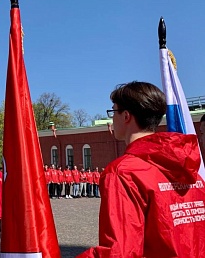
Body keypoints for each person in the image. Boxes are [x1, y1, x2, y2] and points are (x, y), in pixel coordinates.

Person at [79, 81, 205, 257]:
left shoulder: (123, 172)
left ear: (126, 116)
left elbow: (120, 252)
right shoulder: (190, 170)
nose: (112, 118)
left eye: (113, 111)